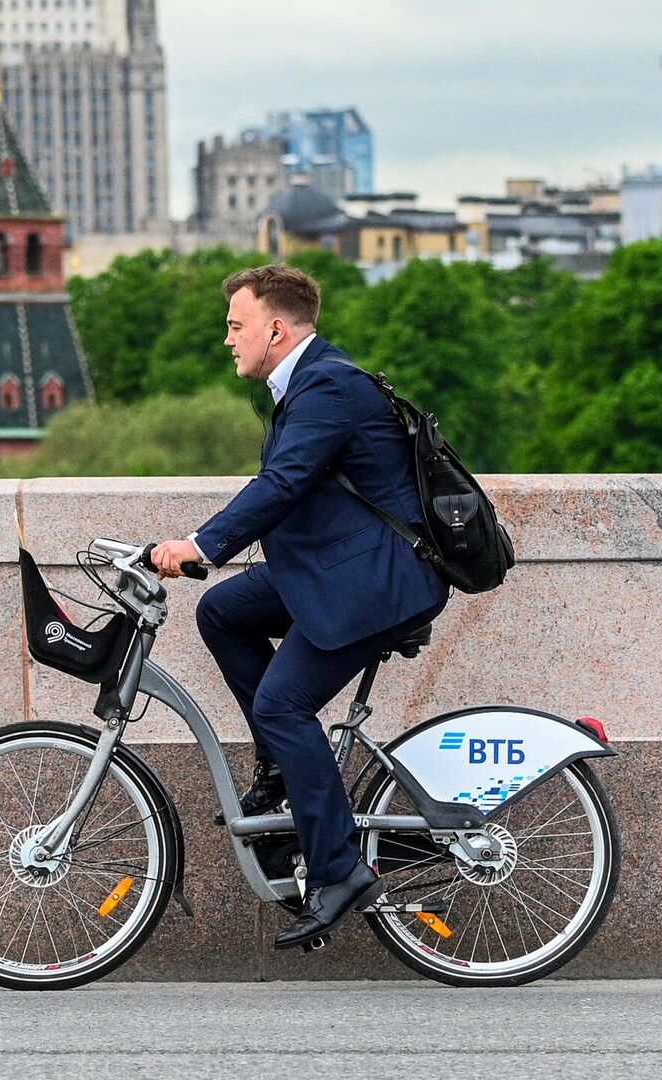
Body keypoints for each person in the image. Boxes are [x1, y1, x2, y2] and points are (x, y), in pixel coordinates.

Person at [148, 265, 449, 949]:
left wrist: (200, 543)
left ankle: (340, 869)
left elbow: (282, 485)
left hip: (378, 584)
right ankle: (286, 772)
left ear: (275, 329)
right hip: (337, 571)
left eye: (236, 325)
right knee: (222, 613)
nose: (227, 339)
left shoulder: (329, 386)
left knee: (282, 706)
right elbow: (290, 489)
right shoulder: (305, 386)